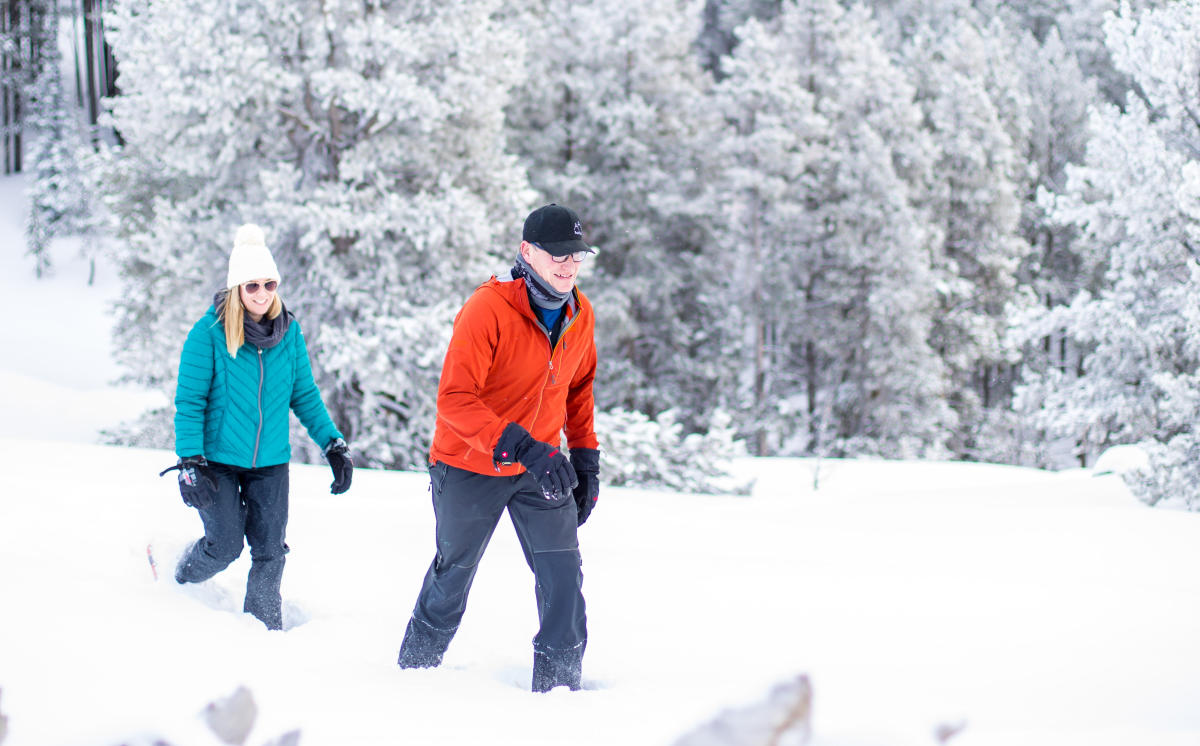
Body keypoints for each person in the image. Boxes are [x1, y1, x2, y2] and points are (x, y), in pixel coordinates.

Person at [397, 203, 602, 692]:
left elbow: (579, 390)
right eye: (558, 255)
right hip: (468, 463)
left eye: (577, 255)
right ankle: (411, 679)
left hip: (541, 468)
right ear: (527, 252)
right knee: (453, 576)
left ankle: (559, 691)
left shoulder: (581, 313)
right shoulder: (487, 309)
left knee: (563, 578)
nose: (569, 265)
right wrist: (524, 447)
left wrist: (587, 459)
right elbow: (454, 400)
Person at [161, 223, 354, 631]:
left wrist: (333, 444)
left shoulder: (289, 332)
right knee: (225, 546)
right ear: (237, 289)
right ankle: (179, 580)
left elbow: (304, 395)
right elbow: (189, 402)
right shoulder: (208, 334)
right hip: (216, 461)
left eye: (269, 283)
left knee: (270, 551)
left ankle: (264, 631)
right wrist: (190, 461)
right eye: (253, 286)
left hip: (270, 463)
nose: (263, 293)